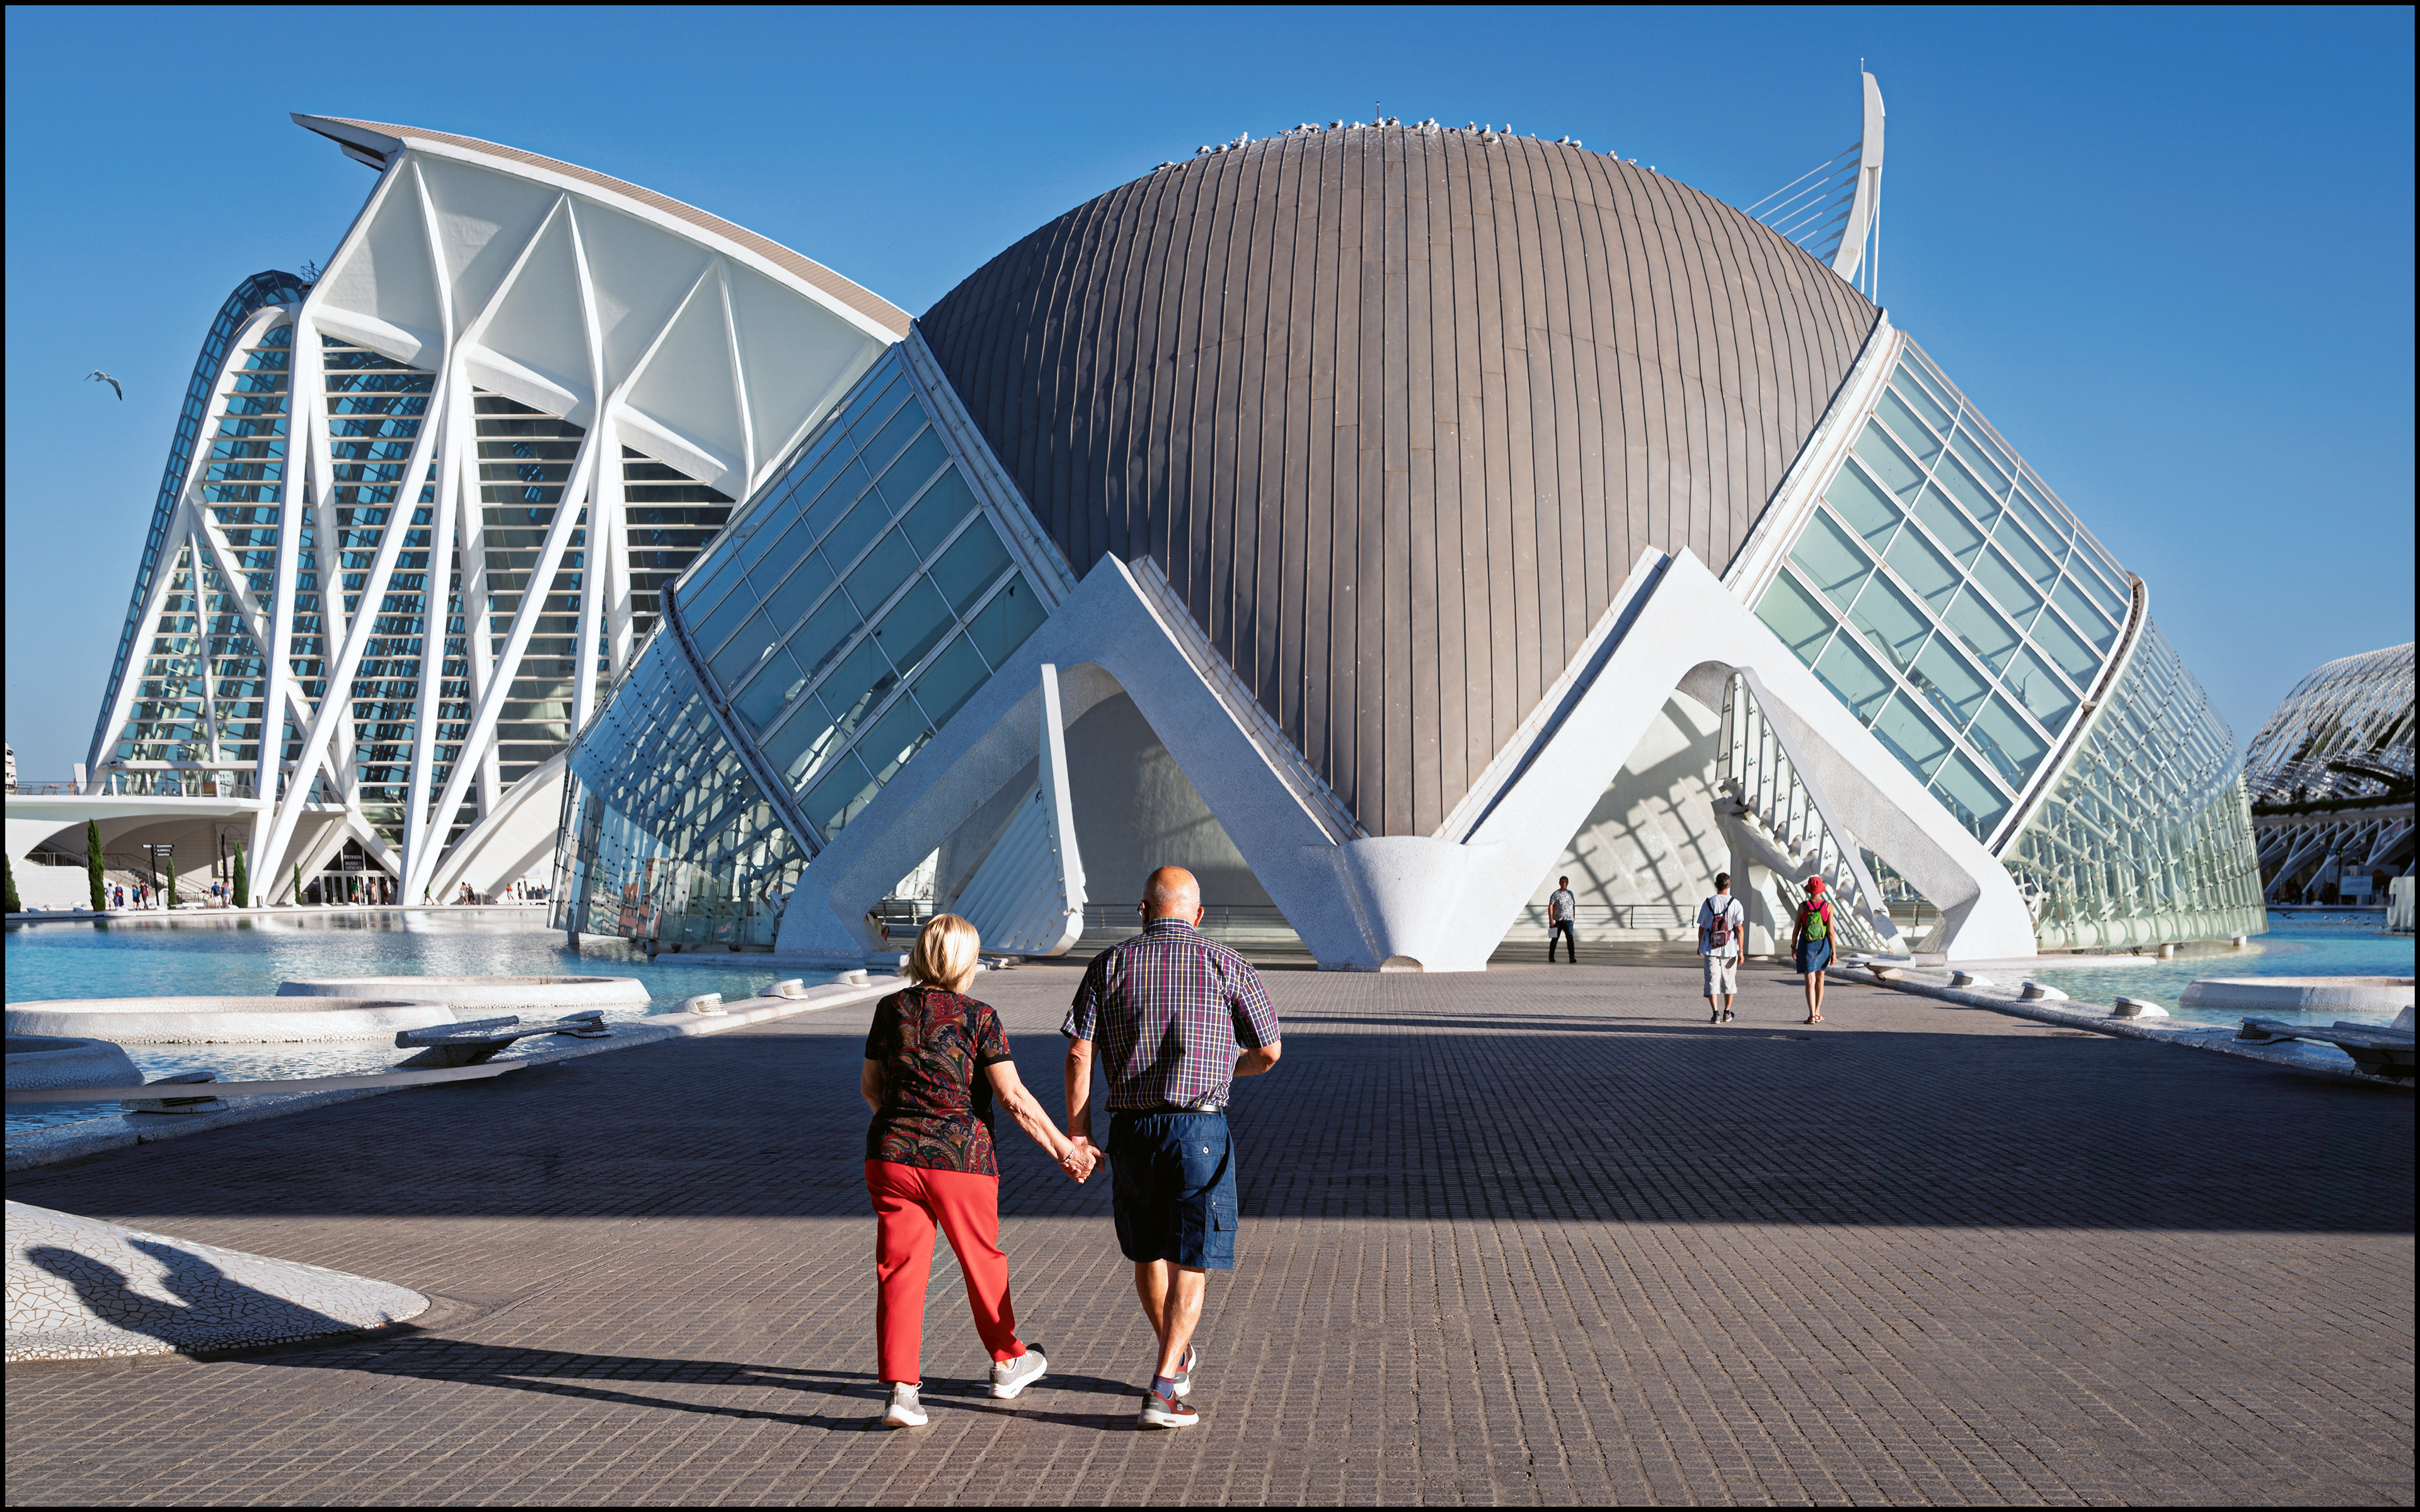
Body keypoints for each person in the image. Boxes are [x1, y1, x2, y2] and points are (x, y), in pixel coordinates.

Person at [1063, 866, 1282, 1429]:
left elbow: (1079, 1054)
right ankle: (1163, 1389)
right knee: (1192, 1256)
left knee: (1147, 1251)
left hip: (1131, 1130)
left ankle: (1175, 1358)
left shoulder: (1109, 964)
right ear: (1198, 914)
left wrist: (1080, 1134)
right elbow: (1269, 1052)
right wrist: (1222, 1070)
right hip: (1198, 1131)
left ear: (1143, 911)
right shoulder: (1228, 964)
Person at [864, 913, 1095, 1429]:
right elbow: (1013, 1098)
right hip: (960, 1159)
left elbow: (871, 1088)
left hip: (891, 1156)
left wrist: (904, 1126)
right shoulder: (979, 1016)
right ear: (966, 961)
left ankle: (902, 1393)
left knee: (900, 1270)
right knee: (981, 1260)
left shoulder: (890, 1009)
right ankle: (1008, 1362)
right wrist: (1065, 1151)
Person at [1697, 873, 1745, 1022]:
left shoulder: (1708, 903)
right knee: (1729, 980)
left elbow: (1702, 927)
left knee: (1712, 980)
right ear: (1729, 885)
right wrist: (1741, 951)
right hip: (1730, 948)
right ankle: (1727, 1012)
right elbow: (1739, 929)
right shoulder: (1735, 903)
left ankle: (1715, 1014)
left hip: (1710, 947)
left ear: (1715, 885)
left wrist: (1700, 946)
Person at [1792, 876, 1835, 1024]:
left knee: (1810, 981)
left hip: (1806, 944)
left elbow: (1796, 929)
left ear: (1809, 890)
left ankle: (1811, 1015)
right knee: (1820, 979)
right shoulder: (1828, 906)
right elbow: (1831, 932)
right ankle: (1817, 1012)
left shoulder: (1803, 907)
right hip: (1823, 945)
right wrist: (1834, 952)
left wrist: (1793, 947)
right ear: (1821, 889)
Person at [1546, 876, 1579, 963]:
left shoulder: (1570, 893)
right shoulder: (1556, 894)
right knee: (1555, 939)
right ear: (1560, 883)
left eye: (1566, 882)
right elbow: (1551, 906)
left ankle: (1572, 957)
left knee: (1570, 938)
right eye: (1563, 882)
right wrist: (1551, 919)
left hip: (1568, 920)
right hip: (1558, 921)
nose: (1564, 884)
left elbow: (1573, 906)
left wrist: (1574, 917)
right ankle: (1551, 956)